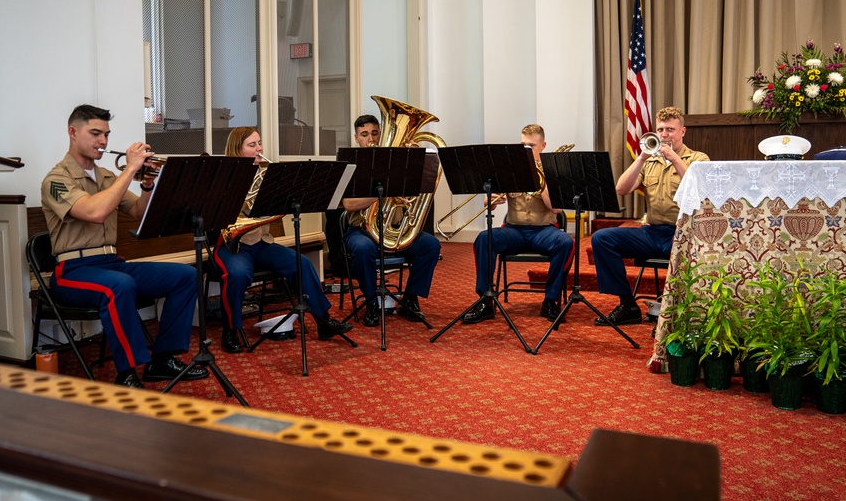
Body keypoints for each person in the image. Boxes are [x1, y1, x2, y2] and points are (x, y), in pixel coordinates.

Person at [41, 105, 209, 389]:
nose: (103, 142)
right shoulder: (56, 180)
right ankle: (127, 372)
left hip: (111, 264)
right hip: (73, 271)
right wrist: (130, 169)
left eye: (106, 134)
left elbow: (139, 213)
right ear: (72, 132)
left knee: (186, 276)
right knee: (119, 286)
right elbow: (95, 213)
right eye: (95, 133)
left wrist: (146, 185)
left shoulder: (106, 176)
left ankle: (162, 360)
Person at [213, 127, 353, 351]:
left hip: (262, 243)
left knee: (302, 263)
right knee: (237, 274)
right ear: (236, 149)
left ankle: (324, 322)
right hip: (233, 246)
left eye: (259, 143)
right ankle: (230, 331)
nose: (259, 148)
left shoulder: (265, 174)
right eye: (252, 145)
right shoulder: (223, 177)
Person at [591, 106, 709, 325]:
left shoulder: (697, 159)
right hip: (652, 232)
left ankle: (682, 310)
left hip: (683, 234)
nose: (664, 135)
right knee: (602, 238)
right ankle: (627, 304)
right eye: (661, 129)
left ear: (682, 131)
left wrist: (674, 158)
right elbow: (621, 189)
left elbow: (700, 190)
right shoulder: (650, 161)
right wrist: (641, 158)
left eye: (670, 129)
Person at [461, 124, 575, 324]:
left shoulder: (553, 170)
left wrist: (544, 181)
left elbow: (556, 209)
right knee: (484, 238)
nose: (526, 150)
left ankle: (550, 301)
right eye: (523, 145)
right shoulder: (509, 169)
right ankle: (486, 299)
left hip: (544, 231)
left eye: (531, 145)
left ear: (543, 145)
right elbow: (489, 204)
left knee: (566, 242)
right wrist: (492, 199)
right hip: (515, 230)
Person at [342, 114, 441, 327]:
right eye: (364, 134)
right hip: (361, 231)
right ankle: (371, 304)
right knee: (361, 249)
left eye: (375, 133)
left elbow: (419, 194)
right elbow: (349, 205)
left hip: (395, 229)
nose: (371, 139)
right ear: (356, 138)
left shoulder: (399, 163)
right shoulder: (350, 166)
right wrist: (385, 192)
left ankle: (410, 299)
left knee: (430, 245)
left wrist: (415, 162)